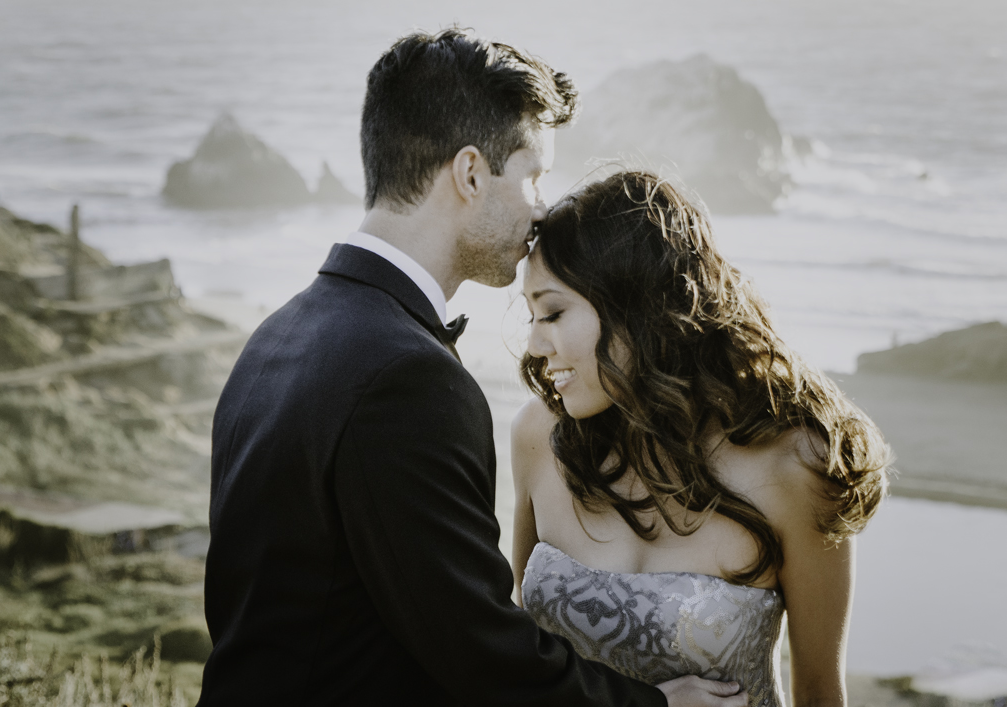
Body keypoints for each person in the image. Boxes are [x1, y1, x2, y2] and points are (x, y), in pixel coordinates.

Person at [198, 30, 748, 707]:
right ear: (469, 174)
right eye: (533, 175)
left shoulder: (273, 338)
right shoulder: (407, 377)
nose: (543, 206)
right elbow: (477, 649)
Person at [513, 170, 892, 707]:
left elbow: (819, 694)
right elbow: (519, 668)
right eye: (530, 315)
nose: (534, 344)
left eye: (552, 312)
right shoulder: (538, 437)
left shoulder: (796, 466)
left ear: (635, 306)